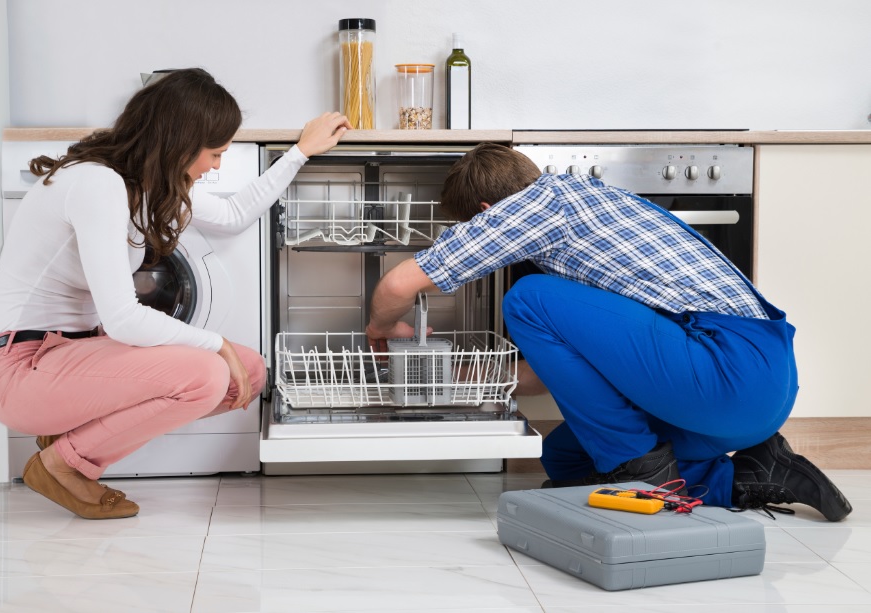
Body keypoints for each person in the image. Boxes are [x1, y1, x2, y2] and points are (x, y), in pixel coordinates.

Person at [365, 143, 852, 522]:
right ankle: (754, 473)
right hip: (764, 389)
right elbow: (557, 368)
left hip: (728, 373)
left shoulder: (541, 205)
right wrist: (456, 375)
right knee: (566, 458)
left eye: (476, 228)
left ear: (492, 212)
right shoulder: (591, 207)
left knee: (528, 297)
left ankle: (645, 477)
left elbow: (398, 283)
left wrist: (381, 331)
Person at [0, 68, 351, 519]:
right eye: (214, 154)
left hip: (71, 357)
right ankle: (62, 465)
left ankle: (67, 441)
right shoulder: (97, 183)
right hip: (20, 368)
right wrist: (217, 342)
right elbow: (123, 318)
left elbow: (233, 214)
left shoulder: (145, 186)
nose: (216, 166)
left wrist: (299, 152)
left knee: (247, 373)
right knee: (209, 374)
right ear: (179, 142)